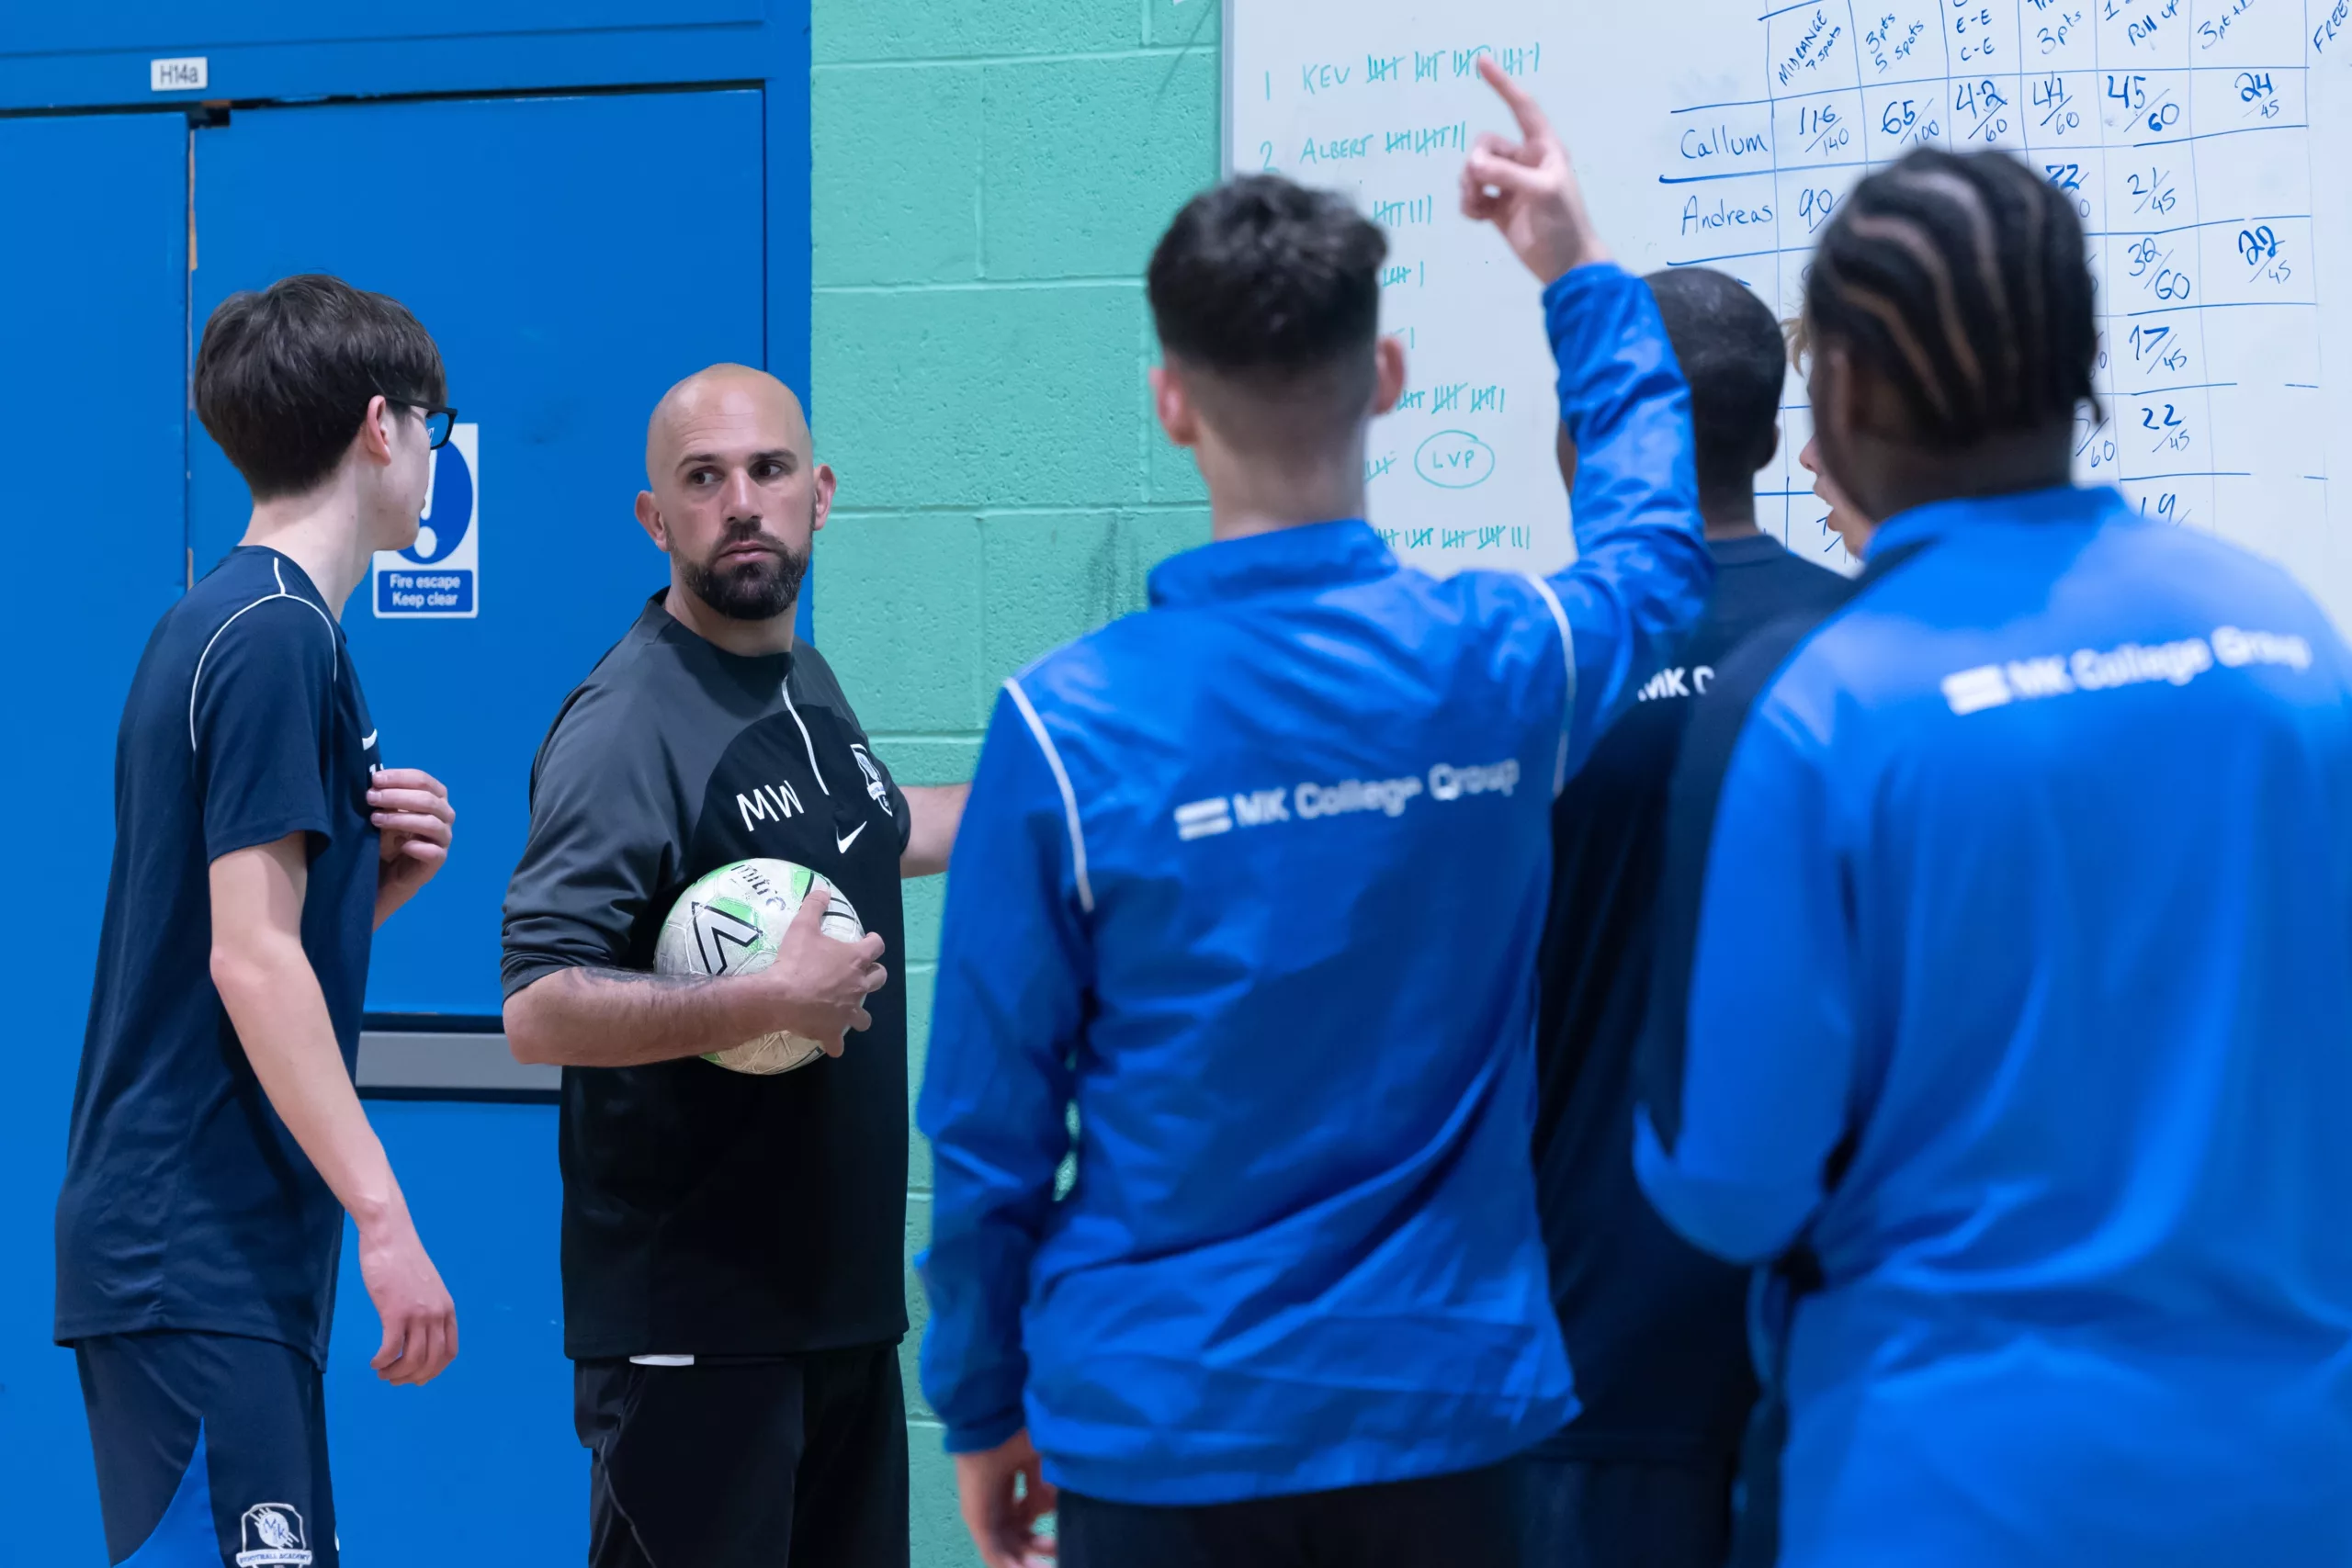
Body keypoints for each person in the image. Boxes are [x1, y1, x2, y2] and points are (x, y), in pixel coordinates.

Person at [918, 61, 1713, 1568]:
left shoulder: (1065, 727)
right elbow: (1658, 557)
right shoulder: (1503, 665)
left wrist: (979, 1399)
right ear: (1388, 375)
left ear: (1169, 401)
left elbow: (985, 1129)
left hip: (1161, 1424)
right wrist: (1577, 274)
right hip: (1443, 1413)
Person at [1635, 146, 2352, 1568]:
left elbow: (1729, 1182)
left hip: (1949, 1488)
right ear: (2080, 361)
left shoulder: (1818, 706)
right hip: (2292, 1480)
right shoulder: (2289, 641)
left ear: (1839, 394)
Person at [500, 363, 967, 1568]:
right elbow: (539, 1005)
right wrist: (760, 1002)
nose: (742, 503)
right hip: (694, 1333)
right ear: (656, 518)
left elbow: (875, 829)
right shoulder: (628, 720)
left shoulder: (802, 681)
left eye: (768, 471)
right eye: (703, 479)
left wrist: (1065, 803)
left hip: (838, 1317)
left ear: (820, 495)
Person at [55, 274, 462, 1567]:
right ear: (384, 425)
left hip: (211, 1255)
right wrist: (385, 1215)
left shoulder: (241, 625)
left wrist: (372, 887)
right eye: (438, 427)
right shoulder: (275, 634)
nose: (436, 456)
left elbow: (220, 938)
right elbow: (248, 956)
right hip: (190, 1246)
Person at [1521, 266, 1848, 1568]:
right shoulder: (1878, 650)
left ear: (1585, 434)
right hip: (1834, 1331)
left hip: (1588, 1333)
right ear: (1771, 440)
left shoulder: (1525, 677)